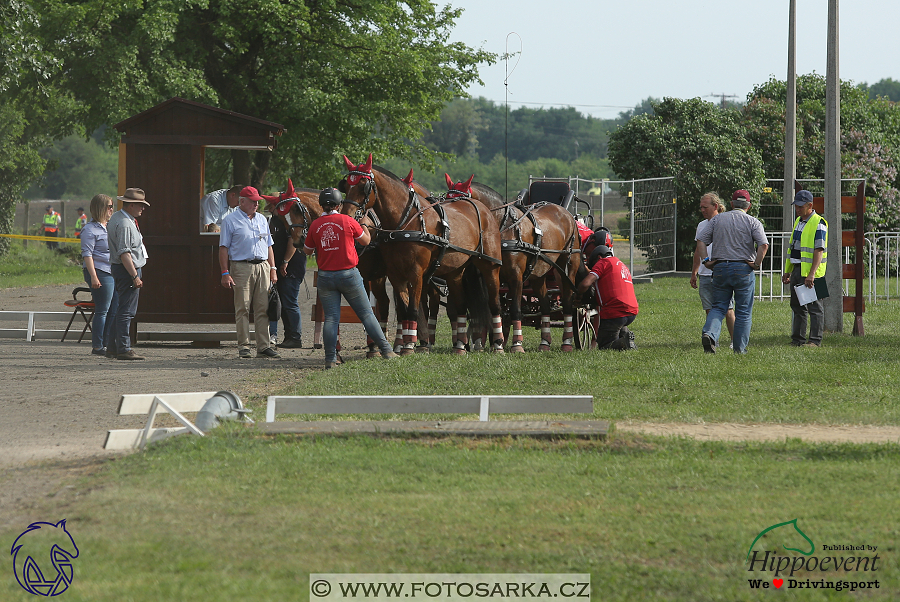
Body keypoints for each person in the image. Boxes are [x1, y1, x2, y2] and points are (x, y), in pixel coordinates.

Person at [302, 188, 398, 368]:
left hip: (326, 276)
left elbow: (307, 250)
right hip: (349, 275)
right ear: (339, 205)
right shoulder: (347, 221)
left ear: (321, 205)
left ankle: (330, 358)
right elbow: (366, 241)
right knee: (367, 314)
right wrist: (363, 225)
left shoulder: (315, 225)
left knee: (331, 318)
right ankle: (386, 350)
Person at [696, 189, 769, 354]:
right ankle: (739, 349)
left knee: (718, 306)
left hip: (720, 268)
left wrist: (706, 261)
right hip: (743, 269)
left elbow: (701, 240)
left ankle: (710, 333)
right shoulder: (753, 221)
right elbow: (763, 245)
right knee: (743, 310)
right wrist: (756, 264)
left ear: (731, 204)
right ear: (749, 206)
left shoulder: (718, 220)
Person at [219, 186, 281, 359]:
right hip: (241, 266)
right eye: (253, 201)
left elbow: (269, 245)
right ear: (242, 201)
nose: (256, 205)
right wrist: (225, 272)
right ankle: (244, 346)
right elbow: (223, 248)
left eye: (257, 202)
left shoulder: (262, 219)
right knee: (243, 308)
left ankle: (263, 346)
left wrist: (273, 268)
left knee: (263, 308)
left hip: (263, 266)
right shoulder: (230, 220)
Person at [781, 189, 828, 347]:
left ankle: (815, 341)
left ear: (810, 205)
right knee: (797, 306)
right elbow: (793, 249)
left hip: (812, 273)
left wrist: (812, 274)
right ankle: (797, 340)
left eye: (801, 206)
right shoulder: (799, 221)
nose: (797, 209)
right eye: (796, 206)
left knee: (815, 308)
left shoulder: (819, 223)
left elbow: (819, 251)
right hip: (797, 270)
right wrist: (788, 270)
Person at [108, 188, 150, 360]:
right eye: (140, 205)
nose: (143, 208)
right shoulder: (125, 224)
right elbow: (124, 253)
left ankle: (113, 347)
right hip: (127, 269)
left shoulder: (118, 218)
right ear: (131, 205)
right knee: (126, 311)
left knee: (121, 309)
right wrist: (134, 276)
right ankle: (123, 348)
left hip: (121, 268)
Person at [690, 192, 735, 346]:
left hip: (721, 272)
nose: (702, 210)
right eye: (701, 207)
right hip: (704, 274)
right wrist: (694, 272)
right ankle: (711, 340)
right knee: (709, 309)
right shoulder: (702, 225)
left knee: (728, 309)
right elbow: (698, 251)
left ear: (715, 206)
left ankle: (734, 340)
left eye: (705, 207)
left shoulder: (725, 222)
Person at [575, 244, 638, 350]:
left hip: (615, 311)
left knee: (605, 345)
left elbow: (585, 284)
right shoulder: (621, 264)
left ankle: (623, 342)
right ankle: (625, 335)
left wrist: (578, 296)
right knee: (617, 325)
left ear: (599, 257)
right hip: (632, 311)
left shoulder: (603, 263)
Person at [80, 194, 119, 356]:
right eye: (109, 207)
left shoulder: (109, 226)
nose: (112, 209)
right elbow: (87, 255)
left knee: (114, 309)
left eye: (112, 206)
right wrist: (94, 277)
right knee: (102, 309)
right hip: (99, 271)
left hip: (112, 271)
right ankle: (97, 346)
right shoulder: (89, 229)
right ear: (100, 208)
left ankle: (107, 343)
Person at [269, 208, 306, 348]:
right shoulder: (275, 220)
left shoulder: (289, 220)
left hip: (291, 265)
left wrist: (285, 261)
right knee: (284, 302)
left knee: (290, 302)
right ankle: (289, 337)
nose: (270, 206)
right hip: (281, 265)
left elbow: (293, 241)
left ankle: (295, 337)